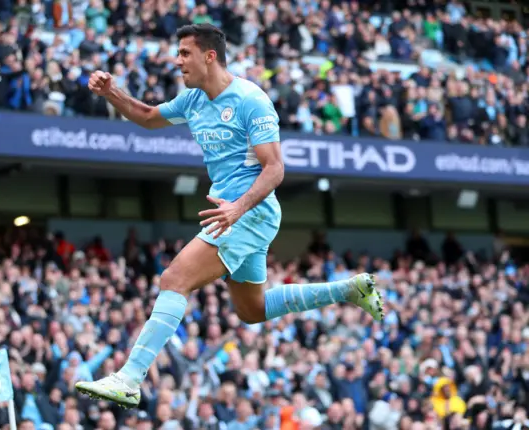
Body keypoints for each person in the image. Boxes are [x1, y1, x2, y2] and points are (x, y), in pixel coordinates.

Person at [75, 23, 384, 408]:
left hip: (247, 213)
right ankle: (348, 289)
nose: (177, 61)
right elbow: (148, 116)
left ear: (209, 56)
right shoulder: (192, 99)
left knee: (174, 278)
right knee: (251, 310)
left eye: (185, 53)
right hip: (233, 214)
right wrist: (112, 93)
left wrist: (238, 208)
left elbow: (275, 169)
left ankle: (130, 378)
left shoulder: (250, 100)